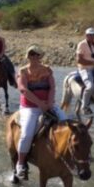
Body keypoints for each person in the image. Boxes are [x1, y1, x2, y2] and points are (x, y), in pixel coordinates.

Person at [16, 44, 67, 179]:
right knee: (26, 134)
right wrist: (40, 104)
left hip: (48, 105)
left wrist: (49, 104)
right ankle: (20, 163)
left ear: (40, 56)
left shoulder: (47, 70)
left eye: (36, 54)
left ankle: (70, 156)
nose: (34, 57)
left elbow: (52, 87)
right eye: (31, 54)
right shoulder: (23, 71)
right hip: (30, 108)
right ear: (28, 56)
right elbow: (23, 90)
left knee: (66, 124)